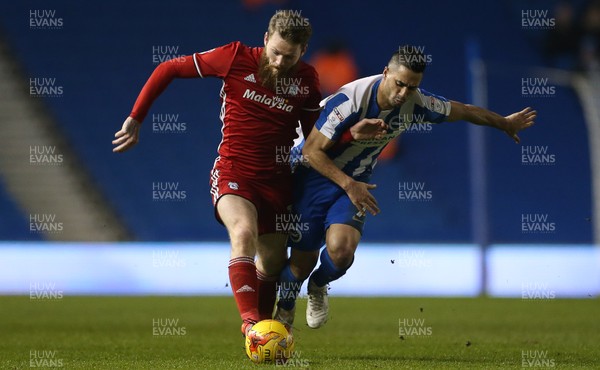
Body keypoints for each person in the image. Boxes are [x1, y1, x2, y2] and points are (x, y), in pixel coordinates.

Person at [274, 45, 537, 329]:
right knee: (300, 263)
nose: (403, 94)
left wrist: (504, 123)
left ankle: (318, 285)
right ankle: (285, 310)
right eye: (399, 84)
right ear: (386, 73)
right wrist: (349, 184)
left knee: (341, 251)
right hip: (311, 176)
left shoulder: (416, 102)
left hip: (354, 182)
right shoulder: (349, 100)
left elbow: (462, 110)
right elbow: (313, 152)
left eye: (411, 88)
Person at [111, 10, 322, 339]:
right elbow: (169, 68)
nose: (280, 61)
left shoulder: (307, 81)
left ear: (303, 52)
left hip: (278, 182)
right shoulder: (235, 57)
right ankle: (251, 324)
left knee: (270, 264)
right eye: (275, 52)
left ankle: (264, 334)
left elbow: (314, 139)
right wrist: (136, 117)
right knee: (242, 233)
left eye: (289, 56)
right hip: (234, 171)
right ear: (265, 39)